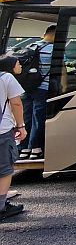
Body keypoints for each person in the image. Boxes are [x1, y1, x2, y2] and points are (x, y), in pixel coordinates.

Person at [18, 24, 54, 160]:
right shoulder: (53, 49)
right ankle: (35, 148)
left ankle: (23, 149)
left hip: (26, 88)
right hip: (42, 88)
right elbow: (61, 71)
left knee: (26, 118)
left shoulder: (31, 46)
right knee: (38, 118)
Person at [0, 54, 27, 221]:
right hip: (2, 130)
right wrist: (21, 126)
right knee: (5, 168)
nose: (21, 66)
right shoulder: (6, 77)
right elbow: (16, 103)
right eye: (18, 63)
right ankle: (1, 205)